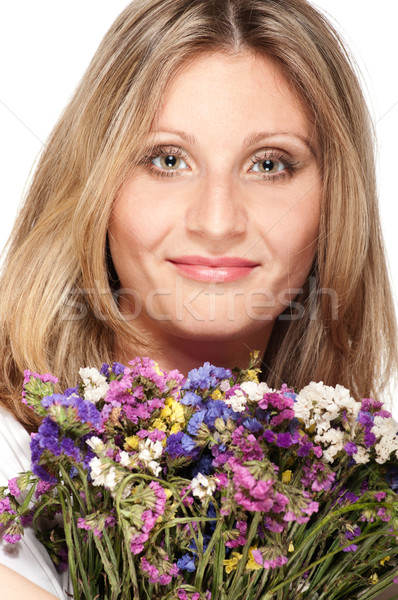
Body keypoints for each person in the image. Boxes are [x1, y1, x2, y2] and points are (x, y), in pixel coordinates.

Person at [0, 0, 397, 598]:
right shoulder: (13, 464)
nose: (217, 222)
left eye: (268, 164)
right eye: (167, 160)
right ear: (94, 184)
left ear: (335, 200)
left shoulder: (361, 523)